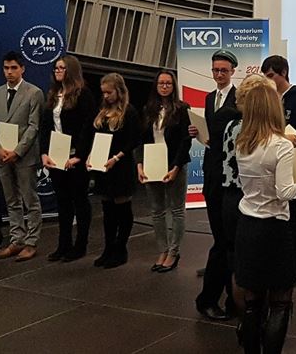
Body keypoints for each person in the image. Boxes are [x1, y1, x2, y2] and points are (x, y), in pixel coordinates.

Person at [234, 78, 296, 354]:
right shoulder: (280, 146)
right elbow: (285, 192)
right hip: (273, 229)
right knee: (280, 301)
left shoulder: (242, 142)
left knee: (252, 301)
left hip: (247, 224)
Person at [192, 49, 241, 320]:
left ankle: (228, 297)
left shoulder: (239, 98)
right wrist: (197, 133)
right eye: (215, 70)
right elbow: (211, 134)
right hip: (213, 174)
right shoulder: (210, 98)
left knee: (228, 242)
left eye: (223, 70)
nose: (219, 74)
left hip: (231, 177)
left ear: (233, 71)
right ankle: (216, 298)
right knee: (223, 241)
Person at [218, 73, 268, 321]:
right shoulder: (258, 132)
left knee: (234, 259)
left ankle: (239, 312)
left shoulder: (231, 126)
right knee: (252, 263)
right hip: (249, 199)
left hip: (228, 197)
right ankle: (252, 318)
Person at [39, 55, 97, 262]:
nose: (57, 71)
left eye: (62, 68)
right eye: (56, 68)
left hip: (75, 156)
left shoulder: (83, 94)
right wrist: (44, 152)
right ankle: (63, 244)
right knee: (62, 202)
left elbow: (88, 127)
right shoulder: (53, 94)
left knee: (79, 200)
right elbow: (46, 126)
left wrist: (79, 155)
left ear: (71, 70)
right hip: (56, 154)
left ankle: (80, 245)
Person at [136, 69, 191, 272]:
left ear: (173, 86)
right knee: (157, 211)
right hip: (152, 162)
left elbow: (185, 141)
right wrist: (139, 165)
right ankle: (163, 249)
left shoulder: (182, 109)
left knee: (176, 210)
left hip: (174, 163)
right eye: (161, 83)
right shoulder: (148, 109)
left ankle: (174, 252)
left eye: (168, 83)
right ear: (156, 86)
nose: (165, 86)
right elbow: (141, 140)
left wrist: (176, 167)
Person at [262, 55, 296, 283]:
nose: (268, 80)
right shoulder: (267, 99)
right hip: (268, 162)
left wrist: (283, 137)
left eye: (271, 75)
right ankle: (275, 261)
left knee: (292, 216)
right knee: (271, 214)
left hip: (291, 161)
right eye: (265, 76)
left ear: (283, 73)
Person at [88, 73, 140, 269]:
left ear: (119, 91)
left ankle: (120, 248)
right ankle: (108, 247)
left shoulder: (129, 112)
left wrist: (116, 157)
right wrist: (91, 156)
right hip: (103, 165)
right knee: (107, 208)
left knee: (122, 207)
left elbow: (134, 140)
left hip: (121, 166)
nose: (106, 96)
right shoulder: (102, 111)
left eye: (109, 92)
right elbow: (95, 137)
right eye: (103, 93)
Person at [0, 51, 44, 262]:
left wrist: (17, 151)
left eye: (14, 68)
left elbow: (34, 127)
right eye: (6, 68)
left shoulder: (34, 92)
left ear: (22, 69)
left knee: (29, 199)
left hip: (24, 155)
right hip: (1, 155)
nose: (9, 72)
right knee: (11, 200)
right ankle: (17, 239)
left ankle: (31, 242)